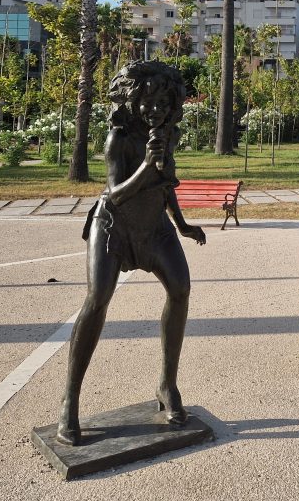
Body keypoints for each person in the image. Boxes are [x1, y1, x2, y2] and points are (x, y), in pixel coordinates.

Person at [57, 62, 206, 446]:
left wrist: (183, 224)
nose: (156, 110)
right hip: (115, 225)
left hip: (155, 227)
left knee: (181, 289)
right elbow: (116, 194)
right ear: (132, 102)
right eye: (148, 102)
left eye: (163, 104)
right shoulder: (118, 140)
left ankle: (167, 385)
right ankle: (70, 400)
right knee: (97, 299)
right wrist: (145, 165)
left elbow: (166, 185)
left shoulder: (166, 137)